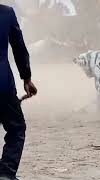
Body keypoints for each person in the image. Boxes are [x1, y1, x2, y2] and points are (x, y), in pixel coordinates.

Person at [0, 3, 37, 180]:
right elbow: (19, 47)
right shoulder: (6, 13)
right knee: (16, 128)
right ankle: (6, 174)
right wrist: (27, 78)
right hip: (3, 85)